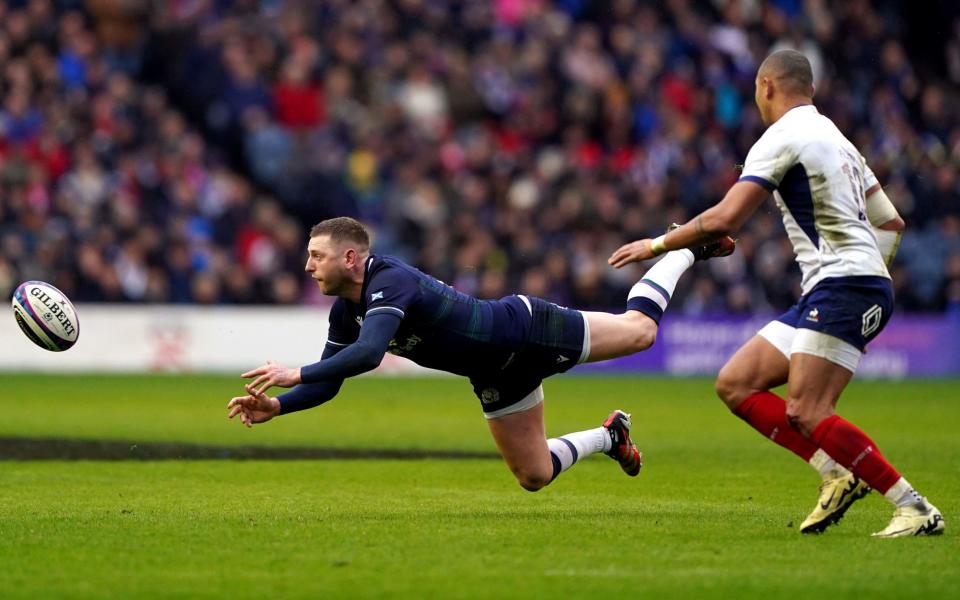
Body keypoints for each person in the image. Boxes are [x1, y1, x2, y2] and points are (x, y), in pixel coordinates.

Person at [608, 49, 943, 538]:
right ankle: (836, 471)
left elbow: (726, 218)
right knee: (737, 382)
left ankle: (913, 507)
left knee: (806, 410)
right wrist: (873, 278)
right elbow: (891, 222)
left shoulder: (781, 136)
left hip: (843, 287)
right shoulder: (841, 141)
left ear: (766, 85)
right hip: (847, 285)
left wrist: (656, 244)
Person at [227, 216, 733, 491]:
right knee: (534, 476)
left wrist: (295, 372)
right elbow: (332, 381)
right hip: (493, 374)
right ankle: (610, 436)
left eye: (317, 255)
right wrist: (280, 405)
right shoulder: (346, 309)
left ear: (351, 258)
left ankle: (683, 246)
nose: (308, 265)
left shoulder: (390, 280)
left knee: (640, 332)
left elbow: (367, 355)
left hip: (526, 330)